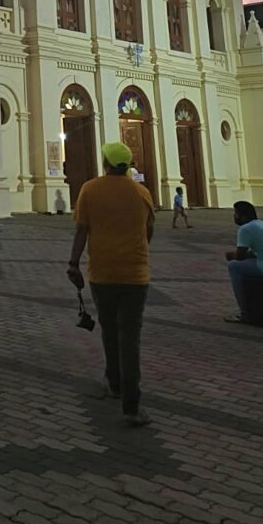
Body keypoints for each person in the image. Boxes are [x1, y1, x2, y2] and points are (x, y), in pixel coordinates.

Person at [67, 141, 155, 427]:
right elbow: (148, 231)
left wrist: (73, 263)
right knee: (130, 338)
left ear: (104, 162)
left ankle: (114, 383)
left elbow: (82, 229)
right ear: (127, 165)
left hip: (102, 273)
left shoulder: (90, 189)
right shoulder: (142, 192)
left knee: (109, 330)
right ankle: (131, 405)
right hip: (135, 275)